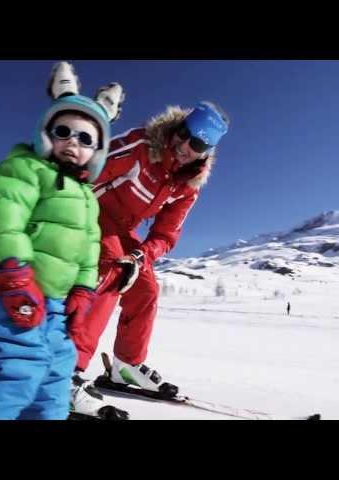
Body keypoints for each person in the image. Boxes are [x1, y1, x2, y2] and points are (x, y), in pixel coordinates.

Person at [0, 62, 126, 420]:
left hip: (54, 306)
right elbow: (3, 217)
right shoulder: (24, 168)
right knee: (18, 370)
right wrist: (13, 271)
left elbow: (89, 250)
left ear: (97, 151)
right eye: (63, 131)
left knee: (55, 378)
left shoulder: (87, 198)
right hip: (10, 290)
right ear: (46, 134)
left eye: (85, 138)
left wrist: (82, 289)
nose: (72, 143)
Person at [69, 100, 229, 412]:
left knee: (145, 288)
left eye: (196, 143)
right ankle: (64, 372)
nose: (184, 145)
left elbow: (166, 234)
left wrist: (142, 256)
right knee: (113, 270)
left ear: (205, 151)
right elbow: (85, 171)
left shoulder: (187, 187)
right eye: (184, 133)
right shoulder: (141, 146)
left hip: (122, 231)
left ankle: (126, 365)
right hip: (88, 211)